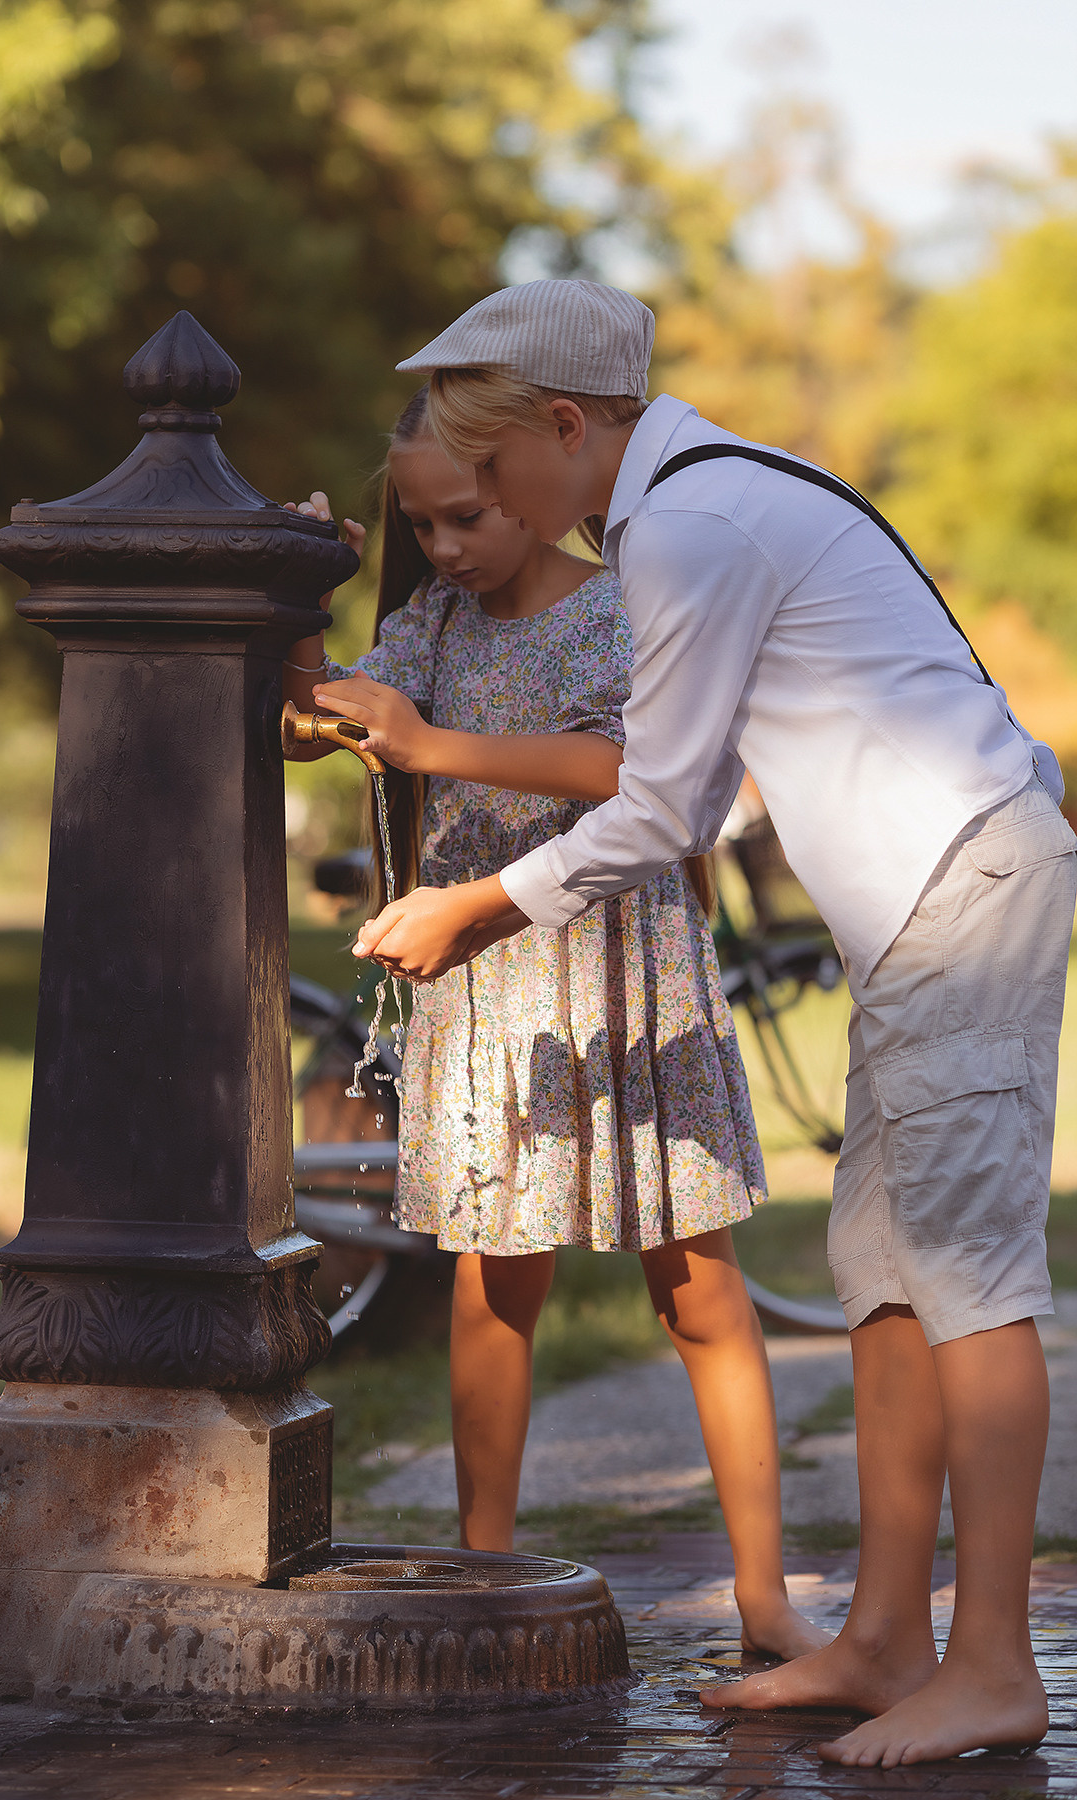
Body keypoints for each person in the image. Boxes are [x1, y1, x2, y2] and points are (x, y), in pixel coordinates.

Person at [351, 280, 1077, 1768]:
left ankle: (994, 1665)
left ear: (567, 424)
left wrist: (477, 905)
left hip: (964, 886)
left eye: (494, 465)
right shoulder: (699, 494)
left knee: (969, 1274)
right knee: (885, 1272)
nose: (489, 500)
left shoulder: (687, 527)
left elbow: (667, 806)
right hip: (926, 902)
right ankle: (884, 1640)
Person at [282, 386, 828, 1663]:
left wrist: (433, 746)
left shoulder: (622, 602)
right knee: (494, 1289)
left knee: (698, 1295)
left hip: (625, 975)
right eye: (420, 525)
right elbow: (310, 728)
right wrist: (304, 595)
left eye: (465, 517)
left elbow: (629, 770)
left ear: (528, 483)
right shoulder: (433, 622)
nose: (445, 547)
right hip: (490, 992)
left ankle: (765, 1599)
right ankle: (488, 1576)